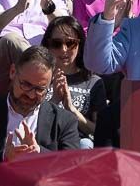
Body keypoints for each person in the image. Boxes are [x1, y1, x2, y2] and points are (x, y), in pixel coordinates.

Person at [0, 46, 81, 183]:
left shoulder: (65, 121)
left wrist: (39, 154)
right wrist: (3, 157)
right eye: (26, 85)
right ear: (12, 72)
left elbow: (73, 170)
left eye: (40, 89)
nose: (31, 94)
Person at [44, 16, 106, 149]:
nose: (64, 49)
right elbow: (28, 120)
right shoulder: (41, 77)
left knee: (85, 145)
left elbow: (99, 131)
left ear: (80, 45)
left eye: (70, 43)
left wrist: (71, 110)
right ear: (48, 45)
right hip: (44, 141)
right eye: (56, 43)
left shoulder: (93, 82)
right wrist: (54, 100)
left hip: (77, 144)